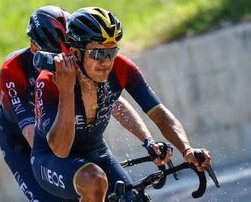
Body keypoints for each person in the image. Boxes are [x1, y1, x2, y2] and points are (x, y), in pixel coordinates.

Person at [31, 7, 212, 202]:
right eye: (98, 54)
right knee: (94, 181)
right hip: (52, 160)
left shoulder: (121, 68)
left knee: (134, 199)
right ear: (75, 53)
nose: (107, 62)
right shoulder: (50, 80)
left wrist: (186, 150)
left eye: (111, 51)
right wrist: (66, 91)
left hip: (97, 153)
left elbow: (160, 114)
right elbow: (60, 149)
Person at [0, 5, 165, 202]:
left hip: (64, 134)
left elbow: (114, 102)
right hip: (26, 146)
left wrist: (147, 141)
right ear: (35, 48)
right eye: (55, 52)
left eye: (68, 50)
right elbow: (31, 133)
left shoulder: (75, 58)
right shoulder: (13, 70)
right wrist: (72, 169)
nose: (64, 59)